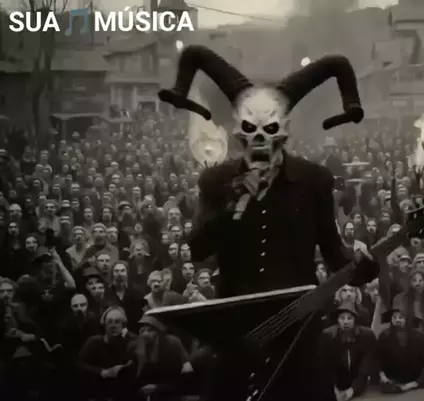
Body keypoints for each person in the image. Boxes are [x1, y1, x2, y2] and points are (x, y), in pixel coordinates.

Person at [156, 45, 378, 401]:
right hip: (238, 330)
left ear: (284, 132)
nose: (260, 139)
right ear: (238, 132)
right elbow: (198, 248)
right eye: (250, 129)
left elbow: (334, 254)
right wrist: (234, 204)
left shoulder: (313, 181)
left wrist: (363, 266)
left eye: (270, 129)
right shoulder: (216, 181)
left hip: (297, 326)